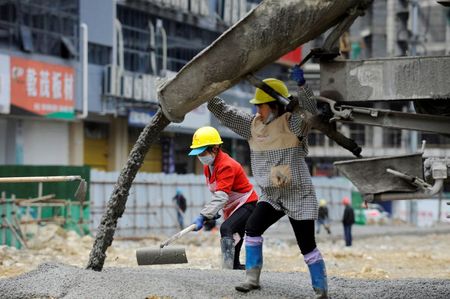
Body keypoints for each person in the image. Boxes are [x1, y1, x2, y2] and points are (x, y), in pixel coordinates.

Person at [207, 66, 328, 298]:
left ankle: (321, 289)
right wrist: (207, 97)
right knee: (252, 227)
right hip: (271, 195)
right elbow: (227, 114)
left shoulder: (293, 124)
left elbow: (310, 112)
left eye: (260, 105)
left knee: (307, 246)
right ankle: (252, 279)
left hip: (297, 194)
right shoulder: (252, 126)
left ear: (275, 105)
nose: (257, 109)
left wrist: (303, 87)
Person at [189, 126, 259, 270]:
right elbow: (218, 192)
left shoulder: (226, 165)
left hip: (247, 204)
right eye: (198, 153)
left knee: (226, 228)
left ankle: (226, 270)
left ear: (215, 148)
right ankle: (235, 267)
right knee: (235, 234)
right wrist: (213, 212)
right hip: (232, 205)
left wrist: (203, 216)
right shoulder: (208, 166)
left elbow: (221, 195)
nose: (200, 157)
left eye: (202, 152)